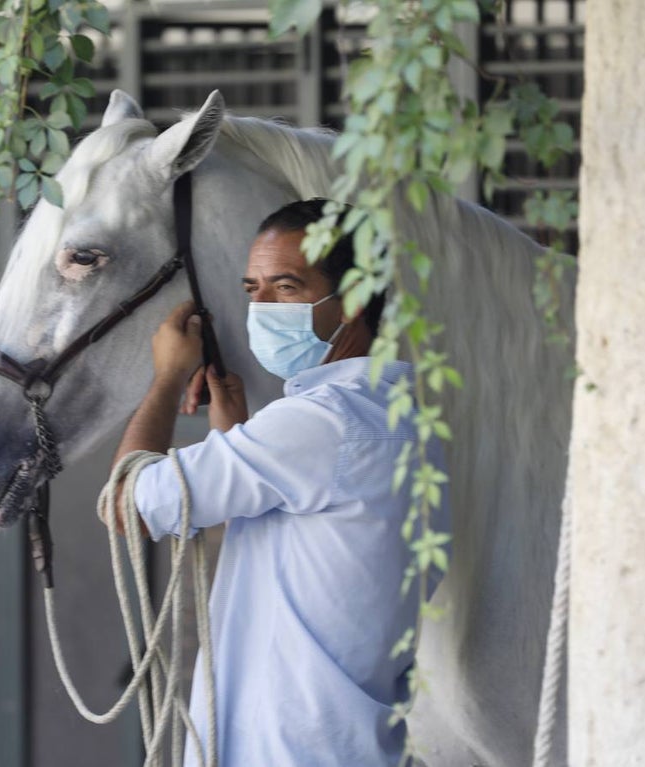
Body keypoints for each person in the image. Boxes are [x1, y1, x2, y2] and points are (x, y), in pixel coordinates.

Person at [106, 200, 450, 766]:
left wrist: (167, 376)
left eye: (286, 287)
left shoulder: (322, 424)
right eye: (252, 289)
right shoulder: (400, 416)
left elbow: (130, 502)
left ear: (356, 300)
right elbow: (311, 537)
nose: (260, 307)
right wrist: (234, 429)